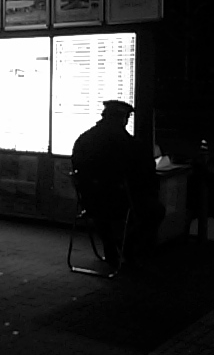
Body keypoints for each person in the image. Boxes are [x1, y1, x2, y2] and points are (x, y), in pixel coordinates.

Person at [71, 100, 165, 267]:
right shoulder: (129, 144)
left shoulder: (83, 140)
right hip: (119, 203)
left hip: (90, 202)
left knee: (104, 213)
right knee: (155, 210)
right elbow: (146, 173)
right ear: (122, 119)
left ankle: (110, 248)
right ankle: (130, 250)